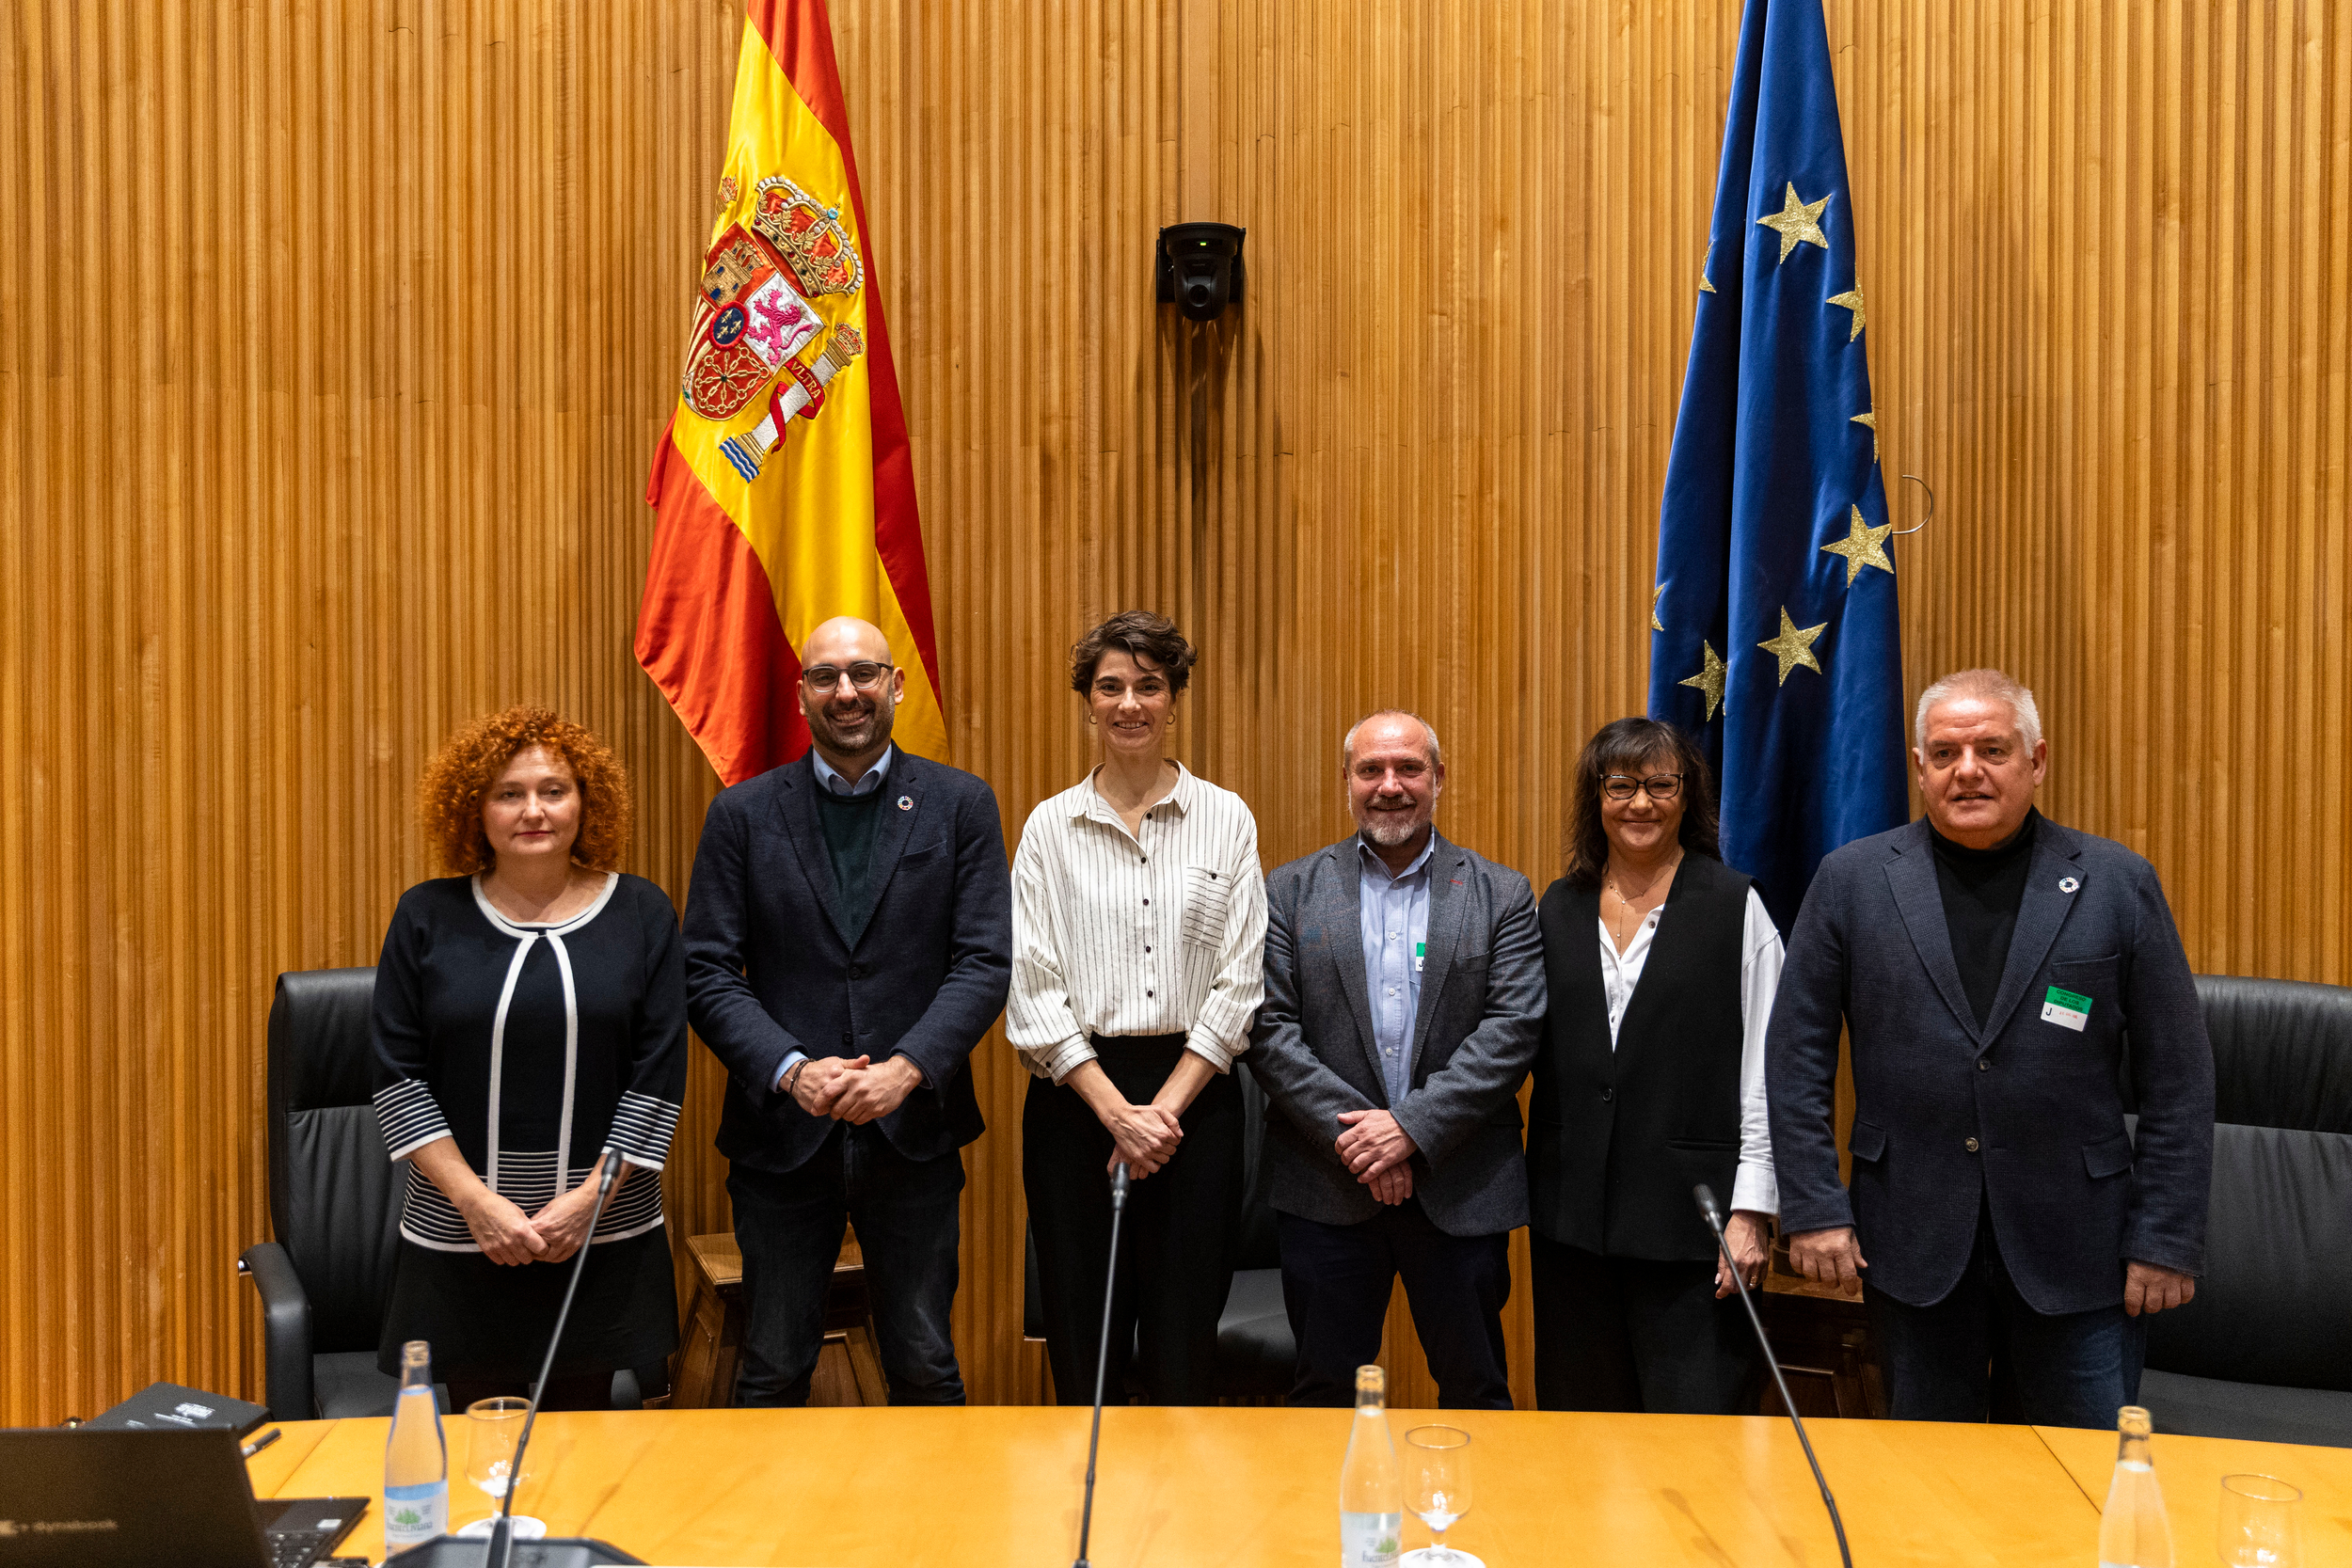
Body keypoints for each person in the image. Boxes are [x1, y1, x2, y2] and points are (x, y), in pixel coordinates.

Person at [1768, 669, 2215, 1426]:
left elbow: (2180, 1078)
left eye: (1991, 749)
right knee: (1928, 1482)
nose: (1967, 770)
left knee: (2076, 1480)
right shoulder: (1850, 881)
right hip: (1910, 1242)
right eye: (1945, 753)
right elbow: (1795, 1059)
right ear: (1919, 768)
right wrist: (1813, 1207)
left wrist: (2165, 1237)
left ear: (2036, 761)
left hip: (2080, 1251)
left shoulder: (2116, 882)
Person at [684, 616, 1011, 1406]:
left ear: (895, 685)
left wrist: (906, 1068)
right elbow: (706, 970)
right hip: (782, 1136)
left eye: (864, 673)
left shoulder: (960, 805)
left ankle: (925, 1501)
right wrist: (791, 1070)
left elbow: (983, 961)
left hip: (915, 1131)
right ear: (800, 694)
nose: (847, 692)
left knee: (926, 1364)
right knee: (771, 1367)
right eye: (826, 676)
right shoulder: (742, 814)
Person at [372, 707, 687, 1411]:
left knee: (586, 1451)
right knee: (476, 1447)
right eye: (508, 793)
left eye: (554, 790)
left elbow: (658, 1078)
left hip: (600, 1235)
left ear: (585, 801)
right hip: (463, 1238)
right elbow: (397, 1079)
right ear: (474, 809)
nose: (533, 811)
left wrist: (588, 1202)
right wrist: (476, 1203)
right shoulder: (425, 916)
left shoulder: (642, 913)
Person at [1007, 611, 1267, 1405]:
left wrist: (1160, 1114)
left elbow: (1240, 982)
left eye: (1149, 686)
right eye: (1111, 686)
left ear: (1174, 701)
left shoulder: (1227, 818)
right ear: (1088, 701)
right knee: (1085, 1351)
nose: (1129, 703)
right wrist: (1118, 1114)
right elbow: (1033, 984)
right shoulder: (1049, 828)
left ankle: (1179, 1492)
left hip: (1196, 1104)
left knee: (1184, 1352)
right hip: (1077, 1104)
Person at [1250, 711, 1545, 1410]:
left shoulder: (1502, 893)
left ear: (1438, 778)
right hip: (1326, 1185)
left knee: (1477, 1393)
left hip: (1460, 1185)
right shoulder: (1288, 892)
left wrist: (1410, 1128)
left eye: (1409, 768)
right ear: (1346, 781)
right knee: (1322, 1397)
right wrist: (1366, 1141)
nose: (1390, 785)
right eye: (1371, 770)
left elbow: (1512, 1029)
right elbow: (1268, 1028)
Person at [1526, 718, 1783, 1414]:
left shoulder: (1737, 907)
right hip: (1572, 1231)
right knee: (1578, 1439)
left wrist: (1752, 1210)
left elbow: (1770, 1071)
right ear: (1596, 798)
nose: (1640, 802)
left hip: (1694, 1236)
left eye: (1660, 784)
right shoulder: (1557, 906)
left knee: (1693, 1446)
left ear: (1687, 795)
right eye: (1621, 785)